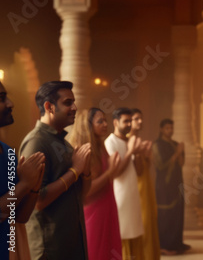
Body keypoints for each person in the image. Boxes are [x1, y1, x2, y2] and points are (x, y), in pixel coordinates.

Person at [20, 81, 92, 259]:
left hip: (72, 243)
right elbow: (38, 200)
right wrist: (75, 171)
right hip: (50, 248)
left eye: (73, 102)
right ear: (49, 107)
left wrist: (86, 172)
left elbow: (81, 194)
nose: (74, 107)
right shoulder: (37, 141)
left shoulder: (62, 142)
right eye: (68, 102)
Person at [67, 108, 122, 260]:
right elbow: (88, 190)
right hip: (93, 213)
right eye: (100, 121)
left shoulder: (100, 146)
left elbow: (108, 177)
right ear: (88, 126)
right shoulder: (86, 151)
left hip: (107, 207)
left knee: (109, 250)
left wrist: (114, 168)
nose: (105, 124)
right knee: (96, 252)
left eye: (105, 120)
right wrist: (110, 172)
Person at [0, 81, 45, 260]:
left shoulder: (9, 152)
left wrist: (33, 187)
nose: (10, 104)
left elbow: (19, 216)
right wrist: (25, 183)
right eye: (2, 99)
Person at [104, 107, 144, 260]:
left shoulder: (129, 141)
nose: (129, 124)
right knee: (122, 235)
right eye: (125, 121)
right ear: (115, 122)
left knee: (134, 235)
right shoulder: (110, 142)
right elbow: (116, 173)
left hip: (133, 196)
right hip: (119, 197)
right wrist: (130, 151)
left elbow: (139, 171)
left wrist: (137, 151)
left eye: (130, 121)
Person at [151, 118, 190, 255]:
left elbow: (181, 163)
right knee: (165, 215)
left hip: (177, 183)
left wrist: (180, 153)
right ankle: (164, 245)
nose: (170, 131)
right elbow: (161, 165)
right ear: (161, 129)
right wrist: (177, 153)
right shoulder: (157, 145)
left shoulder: (175, 143)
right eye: (167, 128)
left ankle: (176, 243)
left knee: (177, 213)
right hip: (164, 185)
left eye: (171, 128)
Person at [130, 108, 161, 259]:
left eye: (140, 118)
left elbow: (146, 167)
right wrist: (137, 152)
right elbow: (138, 170)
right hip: (136, 189)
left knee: (149, 222)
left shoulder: (139, 140)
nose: (140, 122)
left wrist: (148, 156)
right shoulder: (129, 141)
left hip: (146, 186)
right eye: (136, 119)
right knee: (143, 224)